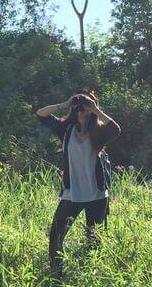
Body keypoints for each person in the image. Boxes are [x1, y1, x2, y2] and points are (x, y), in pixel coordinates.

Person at [36, 88, 121, 276]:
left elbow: (116, 129)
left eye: (86, 106)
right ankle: (57, 275)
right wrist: (65, 104)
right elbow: (41, 115)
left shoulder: (99, 131)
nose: (82, 109)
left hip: (97, 194)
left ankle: (91, 276)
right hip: (72, 194)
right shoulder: (66, 129)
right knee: (56, 236)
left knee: (94, 239)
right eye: (80, 106)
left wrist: (96, 109)